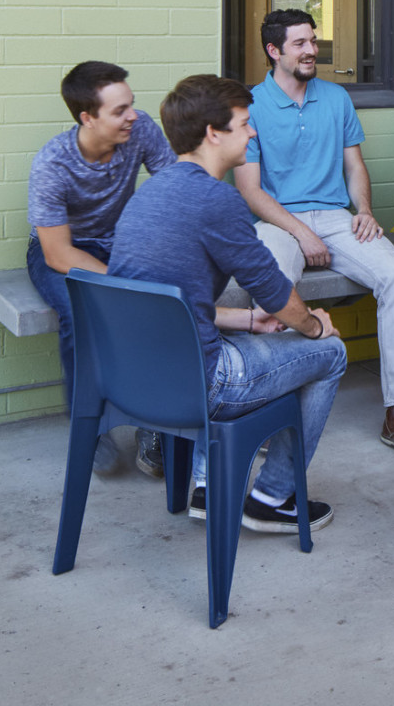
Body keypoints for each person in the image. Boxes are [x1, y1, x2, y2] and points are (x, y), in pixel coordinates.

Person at [108, 75, 348, 533]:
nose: (253, 132)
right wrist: (316, 325)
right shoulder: (219, 198)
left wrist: (246, 319)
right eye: (244, 124)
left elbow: (165, 300)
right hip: (198, 386)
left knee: (227, 335)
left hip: (133, 377)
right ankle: (274, 497)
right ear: (213, 133)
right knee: (331, 355)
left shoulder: (149, 193)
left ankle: (207, 484)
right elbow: (276, 292)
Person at [234, 10, 394, 459]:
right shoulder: (250, 106)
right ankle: (265, 411)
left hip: (335, 216)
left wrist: (363, 209)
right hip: (278, 221)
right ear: (273, 51)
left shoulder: (336, 98)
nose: (311, 51)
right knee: (272, 288)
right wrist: (301, 232)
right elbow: (250, 191)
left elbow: (354, 166)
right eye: (300, 44)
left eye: (313, 41)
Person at [27, 60, 175, 476]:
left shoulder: (141, 129)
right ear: (87, 118)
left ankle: (155, 425)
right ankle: (88, 427)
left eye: (131, 105)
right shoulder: (52, 163)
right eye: (118, 111)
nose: (133, 116)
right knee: (81, 315)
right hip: (61, 248)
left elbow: (172, 188)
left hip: (122, 242)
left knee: (165, 304)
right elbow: (57, 252)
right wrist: (123, 284)